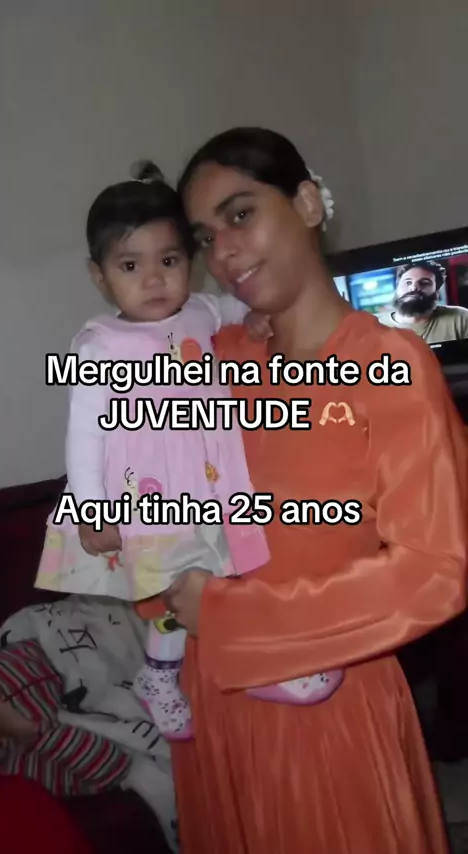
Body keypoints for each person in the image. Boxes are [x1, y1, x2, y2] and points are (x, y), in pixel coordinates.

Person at [156, 127, 467, 854]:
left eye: (241, 214)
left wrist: (230, 616)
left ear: (306, 203)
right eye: (206, 238)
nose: (223, 253)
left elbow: (435, 573)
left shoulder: (389, 364)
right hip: (213, 707)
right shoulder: (222, 357)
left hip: (325, 709)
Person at [34, 161, 341, 743]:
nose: (154, 280)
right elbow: (85, 433)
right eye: (131, 266)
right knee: (189, 586)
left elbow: (238, 310)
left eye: (169, 261)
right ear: (99, 276)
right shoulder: (101, 345)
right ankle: (255, 665)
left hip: (212, 481)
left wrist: (255, 317)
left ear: (189, 264)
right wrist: (91, 506)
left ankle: (159, 674)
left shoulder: (202, 310)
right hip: (149, 496)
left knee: (219, 574)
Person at [378, 260, 468, 343]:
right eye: (408, 282)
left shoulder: (461, 318)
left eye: (424, 283)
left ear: (436, 293)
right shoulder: (374, 326)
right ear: (397, 288)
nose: (413, 288)